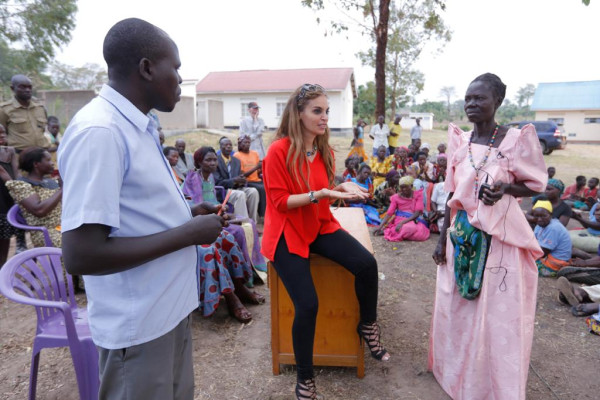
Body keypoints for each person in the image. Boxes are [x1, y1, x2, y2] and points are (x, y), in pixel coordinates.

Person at [58, 18, 225, 400]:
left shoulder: (138, 126)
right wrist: (187, 234)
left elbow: (137, 213)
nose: (181, 79)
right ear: (147, 68)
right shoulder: (100, 132)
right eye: (177, 68)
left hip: (169, 312)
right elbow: (81, 253)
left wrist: (188, 213)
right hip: (139, 328)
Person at [261, 83, 390, 399]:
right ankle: (305, 379)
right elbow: (278, 202)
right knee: (308, 304)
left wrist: (341, 185)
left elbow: (323, 183)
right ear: (299, 113)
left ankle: (367, 326)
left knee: (367, 265)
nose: (324, 118)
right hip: (286, 233)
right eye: (317, 111)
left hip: (318, 225)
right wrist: (321, 194)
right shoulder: (278, 150)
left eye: (327, 111)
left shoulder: (325, 151)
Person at [430, 73, 547, 400]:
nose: (471, 104)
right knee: (460, 310)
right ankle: (456, 375)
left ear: (498, 101)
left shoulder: (515, 140)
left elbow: (538, 184)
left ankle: (488, 385)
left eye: (479, 98)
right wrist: (441, 239)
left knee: (493, 318)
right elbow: (452, 192)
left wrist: (506, 188)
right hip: (462, 239)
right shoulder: (460, 141)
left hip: (499, 244)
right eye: (468, 98)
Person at [183, 146, 267, 276]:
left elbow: (213, 200)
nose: (212, 163)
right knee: (239, 231)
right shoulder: (193, 178)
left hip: (215, 214)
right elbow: (196, 205)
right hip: (202, 220)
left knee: (249, 222)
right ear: (199, 162)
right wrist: (219, 212)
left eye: (214, 160)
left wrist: (222, 208)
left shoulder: (210, 177)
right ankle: (240, 274)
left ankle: (253, 269)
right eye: (208, 160)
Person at [3, 147, 62, 248]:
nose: (52, 163)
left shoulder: (52, 182)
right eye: (48, 160)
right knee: (75, 245)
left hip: (61, 227)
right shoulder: (22, 185)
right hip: (45, 232)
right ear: (36, 164)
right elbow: (39, 210)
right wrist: (62, 189)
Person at [0, 74, 51, 151]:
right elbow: (2, 134)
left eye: (29, 87)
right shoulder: (4, 109)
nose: (27, 90)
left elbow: (43, 131)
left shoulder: (40, 108)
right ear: (12, 88)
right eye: (22, 87)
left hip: (41, 155)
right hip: (19, 156)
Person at [214, 136, 259, 222]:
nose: (228, 147)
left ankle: (253, 222)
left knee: (253, 191)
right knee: (240, 194)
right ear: (220, 147)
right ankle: (244, 223)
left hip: (236, 187)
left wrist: (242, 180)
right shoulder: (216, 160)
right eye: (225, 145)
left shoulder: (236, 161)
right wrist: (234, 181)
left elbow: (239, 176)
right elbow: (218, 182)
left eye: (230, 145)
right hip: (224, 190)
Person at [373, 176, 430, 242]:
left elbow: (417, 213)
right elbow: (389, 213)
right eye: (402, 187)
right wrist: (380, 227)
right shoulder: (395, 197)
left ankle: (391, 231)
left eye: (406, 187)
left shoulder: (418, 195)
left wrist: (402, 223)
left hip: (413, 219)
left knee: (421, 234)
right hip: (400, 219)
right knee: (409, 228)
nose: (404, 189)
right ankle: (399, 232)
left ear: (411, 186)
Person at [532, 200, 572, 277]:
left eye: (543, 216)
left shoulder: (553, 228)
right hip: (547, 257)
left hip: (555, 264)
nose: (539, 219)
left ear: (551, 215)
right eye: (536, 216)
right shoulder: (539, 225)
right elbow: (533, 241)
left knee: (524, 266)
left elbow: (543, 253)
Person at [0, 124, 19, 264]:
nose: (2, 136)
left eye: (4, 133)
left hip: (6, 198)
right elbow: (2, 173)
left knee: (5, 236)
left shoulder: (10, 151)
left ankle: (3, 267)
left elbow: (16, 172)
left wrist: (18, 188)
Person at [234, 135, 266, 218]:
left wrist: (261, 168)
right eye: (245, 142)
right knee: (262, 189)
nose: (247, 144)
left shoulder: (254, 154)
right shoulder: (237, 155)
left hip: (257, 179)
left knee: (269, 186)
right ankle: (262, 215)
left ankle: (269, 213)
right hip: (247, 181)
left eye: (249, 142)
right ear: (240, 144)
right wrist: (256, 167)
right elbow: (241, 175)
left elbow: (258, 171)